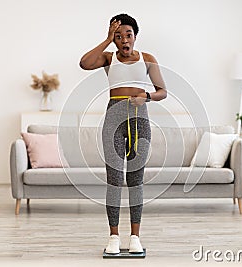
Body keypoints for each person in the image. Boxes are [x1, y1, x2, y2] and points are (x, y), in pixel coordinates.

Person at [79, 13, 167, 254]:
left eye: (128, 34)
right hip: (114, 117)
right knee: (115, 180)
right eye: (118, 36)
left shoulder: (147, 59)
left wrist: (146, 97)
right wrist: (106, 39)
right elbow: (84, 63)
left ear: (135, 37)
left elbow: (162, 91)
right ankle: (114, 237)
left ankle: (135, 237)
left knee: (136, 179)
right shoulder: (109, 59)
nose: (124, 40)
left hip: (140, 119)